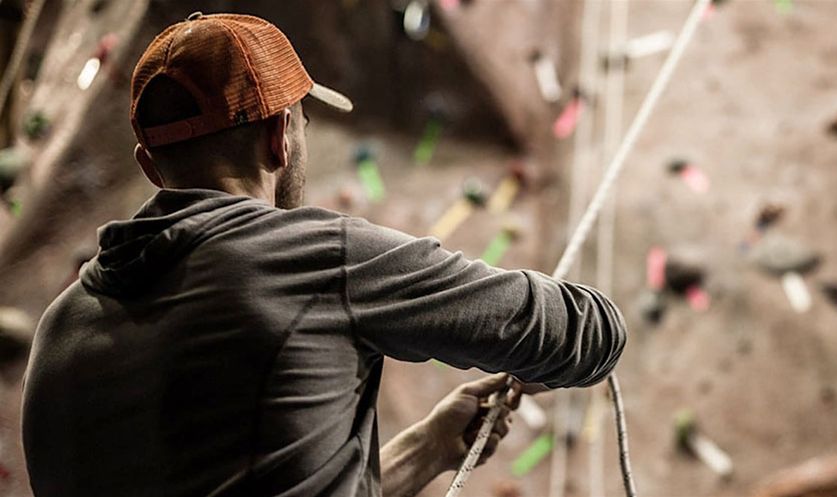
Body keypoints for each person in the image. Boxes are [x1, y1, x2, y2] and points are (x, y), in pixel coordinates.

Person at [21, 13, 626, 497]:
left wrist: (424, 451)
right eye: (302, 123)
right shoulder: (317, 259)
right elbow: (584, 331)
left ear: (150, 166)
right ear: (279, 138)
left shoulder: (61, 329)